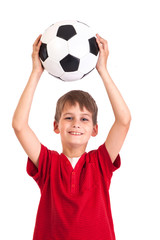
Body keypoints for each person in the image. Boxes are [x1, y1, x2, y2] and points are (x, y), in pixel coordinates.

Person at [12, 34, 131, 240]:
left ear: (94, 129)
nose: (76, 123)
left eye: (84, 119)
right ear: (56, 126)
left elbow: (124, 120)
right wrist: (35, 73)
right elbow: (19, 126)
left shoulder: (100, 162)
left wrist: (103, 70)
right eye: (69, 117)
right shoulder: (48, 163)